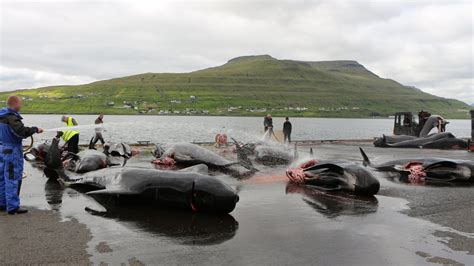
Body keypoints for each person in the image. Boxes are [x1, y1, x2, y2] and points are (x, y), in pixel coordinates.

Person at [0, 96, 43, 214]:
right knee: (12, 178)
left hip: (3, 149)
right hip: (12, 151)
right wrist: (35, 129)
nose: (21, 105)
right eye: (20, 103)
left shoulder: (1, 116)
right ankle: (13, 206)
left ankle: (2, 203)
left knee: (3, 177)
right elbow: (21, 132)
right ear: (15, 104)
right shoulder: (11, 118)